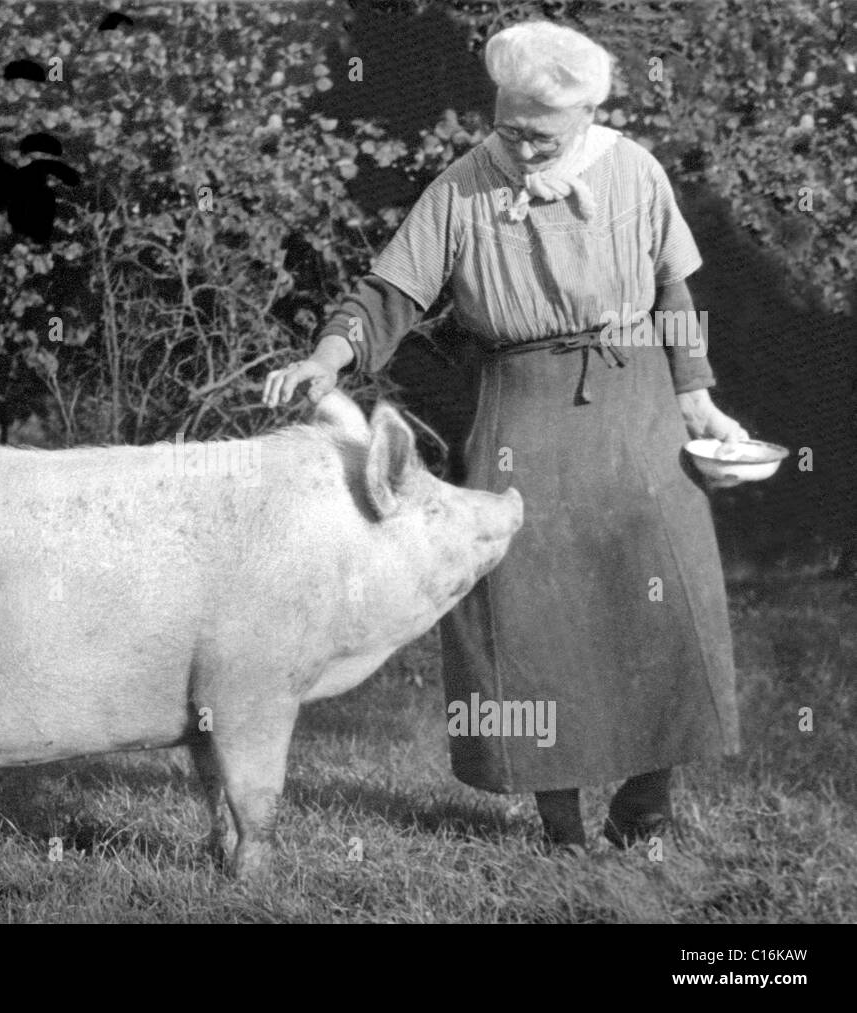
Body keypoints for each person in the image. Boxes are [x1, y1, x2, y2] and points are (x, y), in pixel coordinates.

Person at [263, 20, 747, 852]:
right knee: (529, 617)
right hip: (521, 413)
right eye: (508, 126)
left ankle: (644, 805)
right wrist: (328, 357)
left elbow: (674, 291)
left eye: (540, 133)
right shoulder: (464, 185)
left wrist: (697, 399)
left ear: (589, 113)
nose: (519, 147)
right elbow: (391, 293)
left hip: (638, 410)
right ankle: (560, 825)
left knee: (665, 603)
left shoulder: (635, 171)